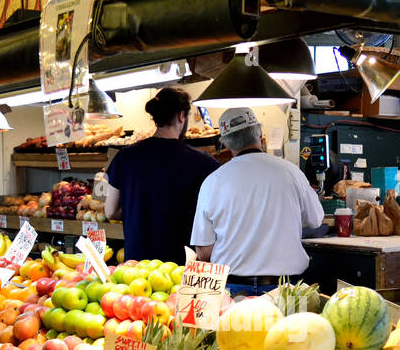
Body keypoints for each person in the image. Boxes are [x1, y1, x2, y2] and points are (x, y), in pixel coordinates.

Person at [191, 107, 325, 296]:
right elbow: (316, 220)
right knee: (291, 327)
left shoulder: (212, 182)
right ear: (260, 134)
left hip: (232, 290)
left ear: (226, 144)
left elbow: (203, 252)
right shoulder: (292, 172)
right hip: (286, 291)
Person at [104, 87, 219, 264]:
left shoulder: (124, 158)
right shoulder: (203, 163)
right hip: (181, 266)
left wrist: (139, 210)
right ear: (182, 116)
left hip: (137, 266)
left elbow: (110, 211)